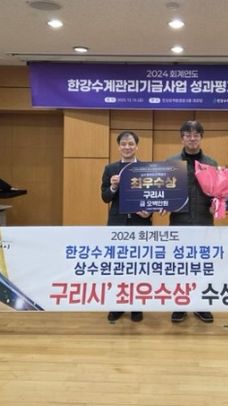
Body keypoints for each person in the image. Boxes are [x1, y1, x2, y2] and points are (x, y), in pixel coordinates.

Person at [167, 120, 217, 324]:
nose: (192, 138)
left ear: (201, 138)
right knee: (180, 266)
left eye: (196, 135)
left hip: (204, 221)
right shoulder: (171, 162)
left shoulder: (211, 163)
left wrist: (217, 204)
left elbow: (217, 193)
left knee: (202, 265)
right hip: (179, 221)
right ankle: (179, 305)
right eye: (188, 135)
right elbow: (163, 191)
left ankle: (201, 305)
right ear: (182, 139)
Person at [101, 130, 152, 323]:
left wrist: (149, 212)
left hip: (141, 224)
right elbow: (105, 197)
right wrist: (113, 187)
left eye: (131, 144)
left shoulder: (146, 169)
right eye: (123, 144)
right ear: (119, 147)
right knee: (118, 267)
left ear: (136, 146)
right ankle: (117, 305)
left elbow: (154, 195)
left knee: (139, 267)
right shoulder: (110, 169)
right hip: (118, 224)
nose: (127, 147)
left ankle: (137, 306)